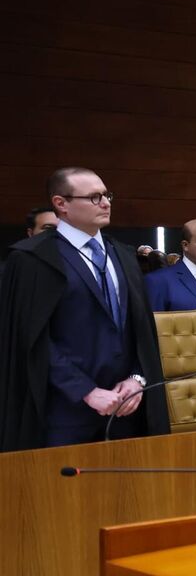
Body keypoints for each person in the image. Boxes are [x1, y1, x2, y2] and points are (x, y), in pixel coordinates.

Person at [0, 168, 169, 450]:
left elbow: (141, 330)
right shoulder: (32, 259)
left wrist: (138, 378)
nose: (106, 203)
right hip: (63, 412)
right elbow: (31, 339)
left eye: (106, 195)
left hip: (128, 408)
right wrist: (87, 392)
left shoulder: (123, 255)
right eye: (93, 197)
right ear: (61, 204)